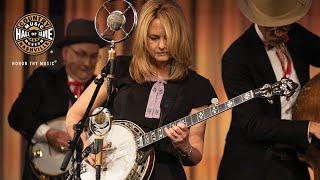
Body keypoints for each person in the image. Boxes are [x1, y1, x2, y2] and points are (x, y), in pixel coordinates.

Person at [66, 0, 217, 179]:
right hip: (113, 171)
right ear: (143, 37)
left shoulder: (197, 86)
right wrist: (87, 147)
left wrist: (184, 147)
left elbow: (195, 154)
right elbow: (75, 114)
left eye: (168, 37)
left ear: (180, 36)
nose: (162, 45)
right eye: (154, 38)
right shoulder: (120, 69)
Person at [217, 0, 320, 179]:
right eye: (271, 28)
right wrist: (309, 127)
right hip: (254, 165)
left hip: (296, 159)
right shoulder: (236, 57)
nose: (279, 33)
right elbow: (253, 124)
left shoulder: (296, 34)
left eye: (284, 28)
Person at [8, 19, 107, 180]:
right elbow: (17, 115)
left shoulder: (102, 87)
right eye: (81, 54)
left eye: (93, 56)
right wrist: (48, 133)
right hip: (40, 173)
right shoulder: (43, 78)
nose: (88, 63)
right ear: (65, 54)